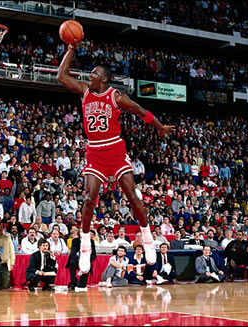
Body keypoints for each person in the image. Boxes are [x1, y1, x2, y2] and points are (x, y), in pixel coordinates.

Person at [58, 44, 174, 274]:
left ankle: (148, 237)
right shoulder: (84, 92)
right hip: (95, 151)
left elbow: (139, 110)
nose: (89, 76)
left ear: (103, 80)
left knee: (132, 195)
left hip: (115, 150)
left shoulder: (116, 97)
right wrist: (71, 49)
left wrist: (159, 127)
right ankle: (84, 244)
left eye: (94, 74)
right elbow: (61, 75)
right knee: (89, 198)